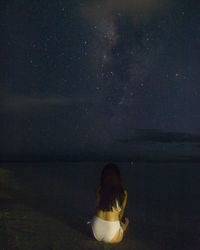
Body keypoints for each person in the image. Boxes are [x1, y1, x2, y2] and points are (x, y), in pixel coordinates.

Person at [91, 163, 129, 243]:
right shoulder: (122, 193)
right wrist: (122, 226)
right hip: (112, 233)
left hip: (96, 229)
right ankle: (123, 228)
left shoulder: (99, 190)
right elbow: (120, 215)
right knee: (123, 226)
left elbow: (96, 209)